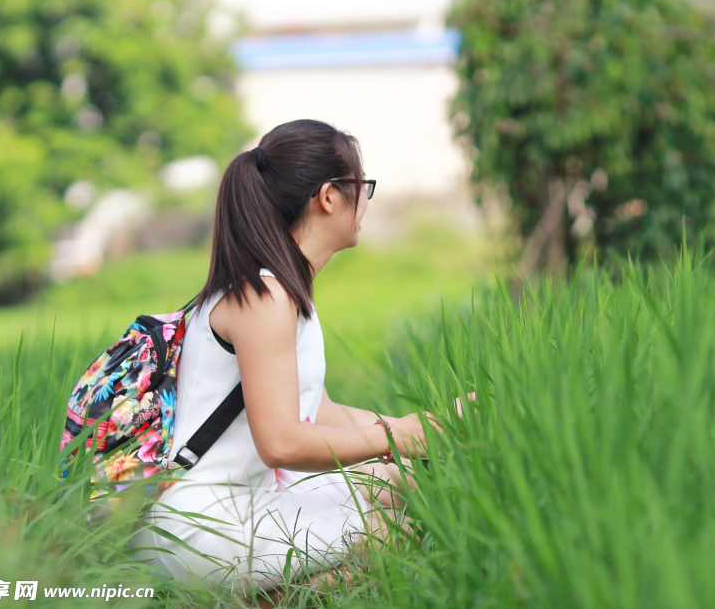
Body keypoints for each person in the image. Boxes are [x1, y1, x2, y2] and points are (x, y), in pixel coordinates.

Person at [130, 119, 472, 591]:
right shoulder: (265, 297)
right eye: (362, 187)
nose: (365, 201)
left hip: (240, 500)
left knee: (408, 483)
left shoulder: (279, 290)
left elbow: (322, 412)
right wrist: (398, 434)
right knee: (404, 530)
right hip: (200, 524)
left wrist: (428, 432)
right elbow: (282, 443)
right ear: (329, 196)